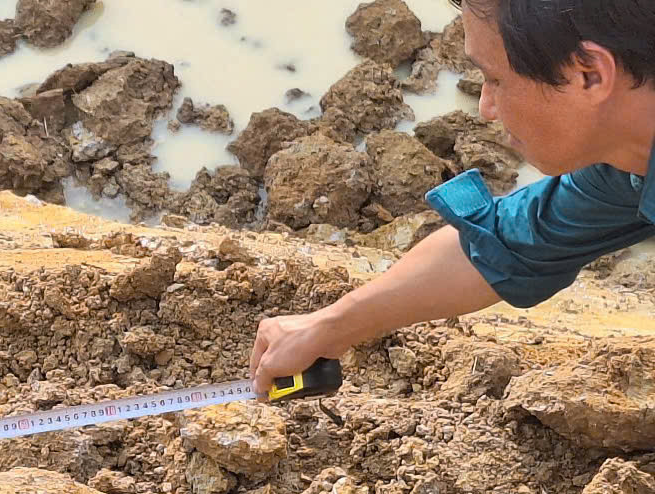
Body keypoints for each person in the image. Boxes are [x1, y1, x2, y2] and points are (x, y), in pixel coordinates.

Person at [249, 0, 655, 396]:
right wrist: (329, 326)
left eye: (496, 80)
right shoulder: (626, 164)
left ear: (589, 74)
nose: (485, 108)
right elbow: (500, 247)